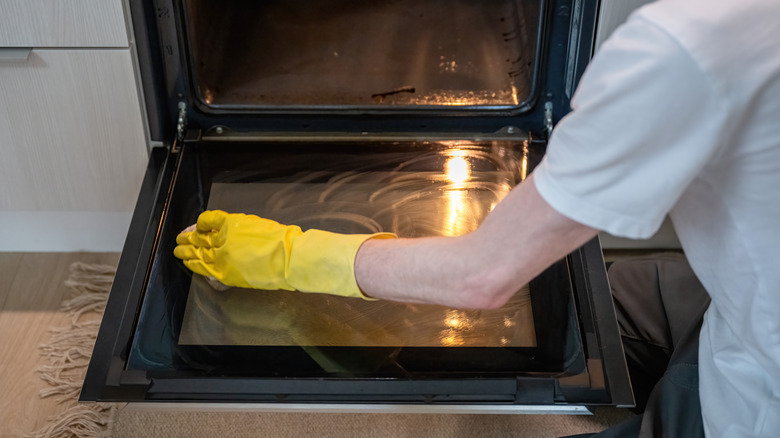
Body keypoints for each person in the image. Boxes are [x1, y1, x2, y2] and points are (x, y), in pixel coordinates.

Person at [174, 0, 780, 436]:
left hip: (758, 395)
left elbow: (481, 278)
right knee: (577, 299)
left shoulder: (690, 45)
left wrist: (294, 255)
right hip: (723, 296)